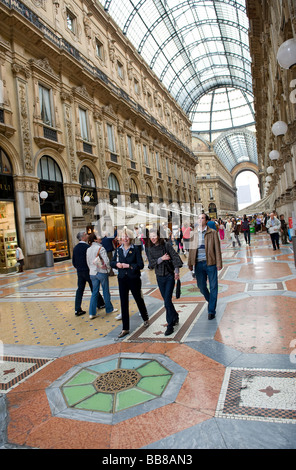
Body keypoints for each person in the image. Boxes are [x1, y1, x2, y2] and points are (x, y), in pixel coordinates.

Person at [110, 228, 149, 339]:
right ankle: (125, 328)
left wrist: (129, 266)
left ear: (130, 238)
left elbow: (140, 265)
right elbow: (112, 262)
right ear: (121, 238)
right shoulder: (118, 250)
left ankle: (145, 319)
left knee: (138, 299)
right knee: (123, 302)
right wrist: (117, 264)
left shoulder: (135, 249)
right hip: (122, 279)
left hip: (134, 278)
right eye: (123, 236)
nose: (125, 238)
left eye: (127, 236)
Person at [147, 228, 183, 336]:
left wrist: (176, 272)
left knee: (167, 300)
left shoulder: (166, 245)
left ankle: (170, 324)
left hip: (169, 275)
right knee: (167, 300)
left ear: (158, 235)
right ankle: (175, 316)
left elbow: (175, 257)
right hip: (159, 277)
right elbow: (151, 264)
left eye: (154, 236)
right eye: (151, 236)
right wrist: (161, 258)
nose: (153, 238)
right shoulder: (149, 249)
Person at [188, 213, 222, 320]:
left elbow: (217, 249)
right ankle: (211, 300)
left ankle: (211, 310)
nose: (200, 220)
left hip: (210, 263)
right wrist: (190, 263)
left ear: (206, 221)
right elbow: (191, 250)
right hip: (198, 264)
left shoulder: (212, 233)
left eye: (202, 218)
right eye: (198, 218)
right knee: (201, 286)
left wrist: (219, 263)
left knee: (213, 286)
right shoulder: (193, 233)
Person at [72, 231, 105, 317]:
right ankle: (100, 303)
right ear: (83, 237)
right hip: (88, 271)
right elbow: (93, 259)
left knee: (80, 289)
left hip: (80, 272)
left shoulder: (75, 248)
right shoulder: (87, 247)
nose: (87, 235)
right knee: (94, 288)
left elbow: (74, 262)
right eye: (86, 234)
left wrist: (79, 268)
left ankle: (77, 309)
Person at [86, 233, 118, 320]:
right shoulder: (101, 248)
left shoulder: (88, 249)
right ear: (95, 240)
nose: (100, 237)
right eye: (98, 236)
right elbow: (106, 260)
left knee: (94, 292)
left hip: (92, 273)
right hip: (101, 271)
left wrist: (92, 269)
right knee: (105, 290)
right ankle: (109, 309)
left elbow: (88, 262)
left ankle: (92, 313)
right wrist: (107, 268)